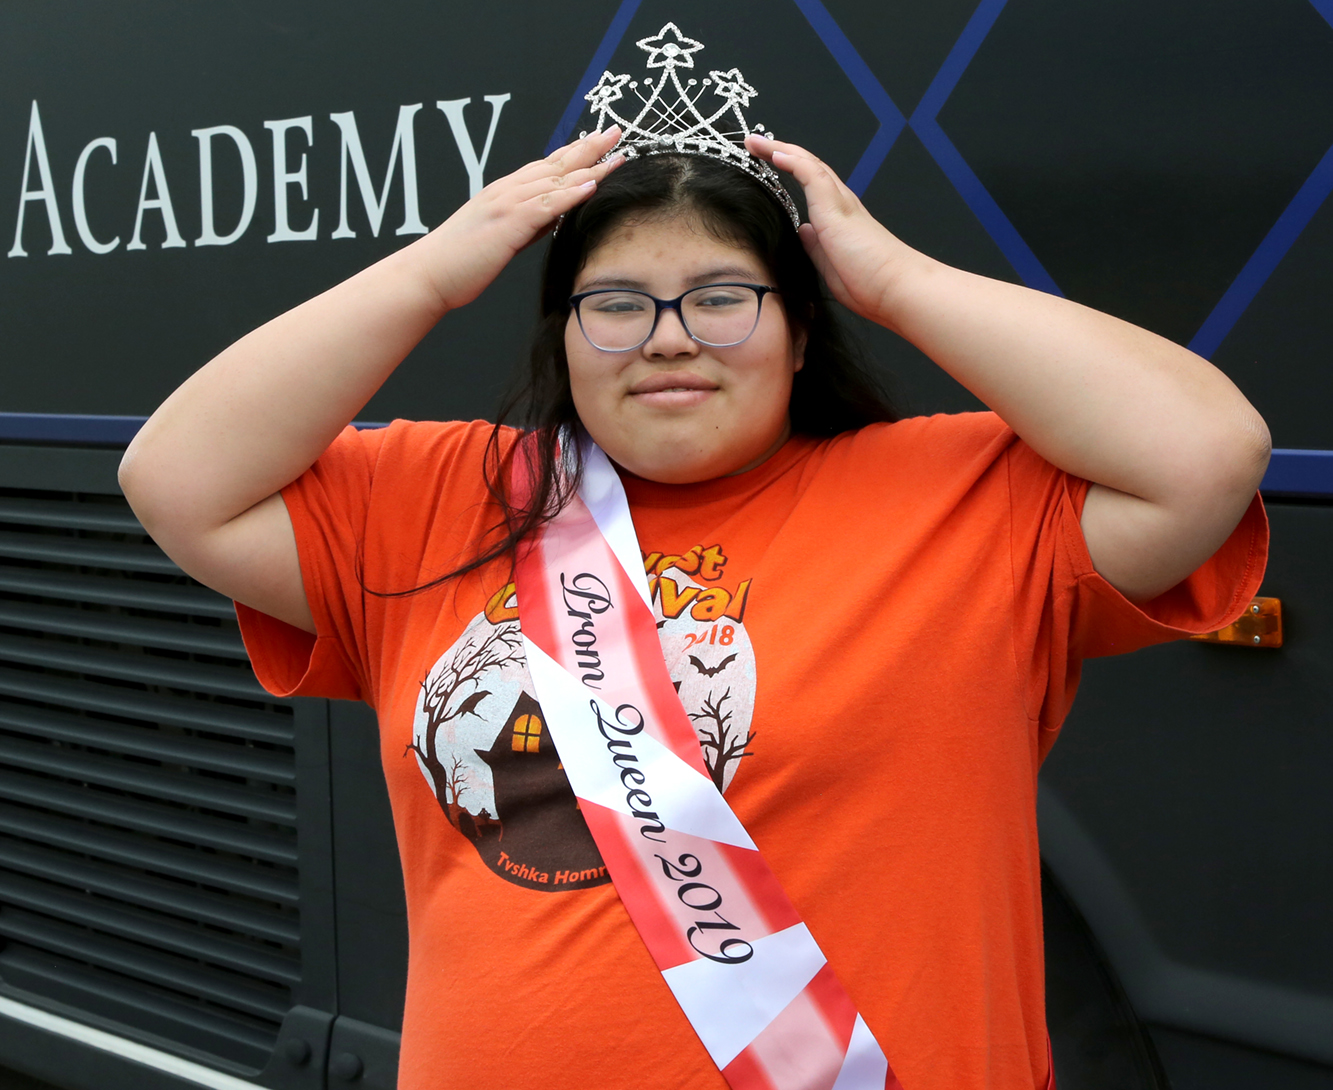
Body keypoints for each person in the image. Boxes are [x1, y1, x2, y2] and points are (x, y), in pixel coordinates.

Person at [120, 103, 1270, 1090]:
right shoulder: (434, 495)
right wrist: (432, 271)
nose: (667, 341)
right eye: (615, 303)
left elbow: (1205, 452)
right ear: (563, 336)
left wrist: (896, 280)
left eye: (723, 296)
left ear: (800, 325)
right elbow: (174, 479)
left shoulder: (962, 496)